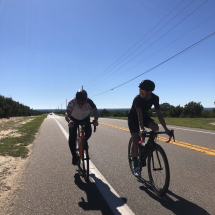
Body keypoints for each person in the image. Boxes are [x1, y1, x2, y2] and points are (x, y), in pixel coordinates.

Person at [127, 80, 170, 177]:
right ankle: (136, 166)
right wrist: (141, 129)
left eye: (142, 90)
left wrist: (166, 129)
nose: (140, 91)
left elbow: (159, 114)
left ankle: (148, 146)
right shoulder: (137, 99)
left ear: (149, 91)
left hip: (144, 116)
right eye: (139, 89)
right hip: (133, 118)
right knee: (135, 139)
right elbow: (139, 114)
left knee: (155, 127)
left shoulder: (155, 98)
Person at [65, 89, 99, 165]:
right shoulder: (72, 102)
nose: (80, 104)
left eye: (82, 102)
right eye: (79, 102)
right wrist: (69, 121)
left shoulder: (89, 101)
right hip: (73, 119)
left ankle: (83, 142)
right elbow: (67, 113)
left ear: (86, 100)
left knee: (89, 133)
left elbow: (95, 111)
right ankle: (74, 156)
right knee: (71, 138)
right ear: (76, 99)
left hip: (85, 118)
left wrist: (96, 120)